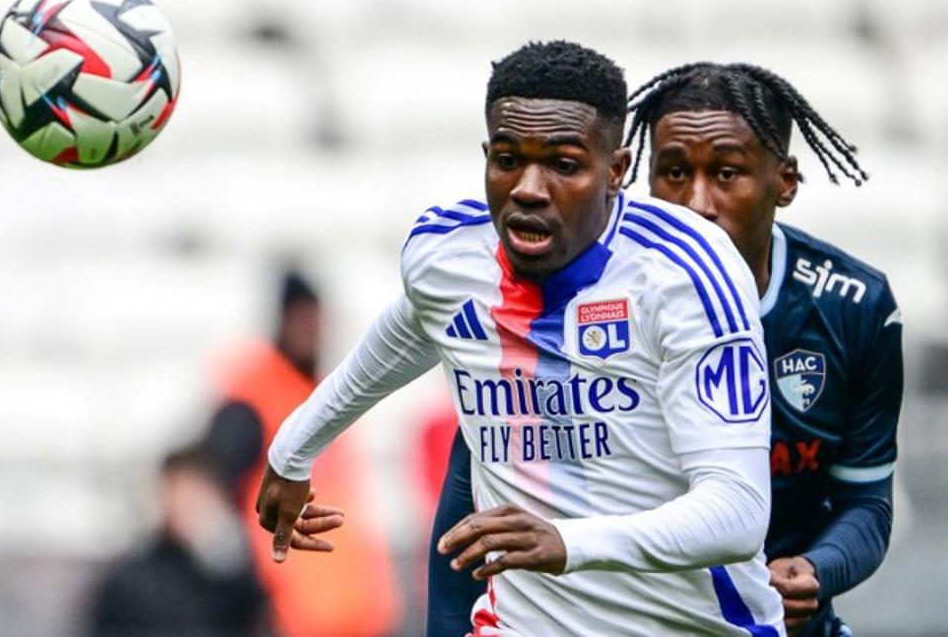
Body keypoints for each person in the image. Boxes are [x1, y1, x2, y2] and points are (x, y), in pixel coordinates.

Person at [256, 41, 785, 636]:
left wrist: (567, 542)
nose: (529, 188)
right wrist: (292, 449)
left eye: (564, 165)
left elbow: (738, 512)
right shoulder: (448, 256)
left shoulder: (684, 273)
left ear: (616, 171)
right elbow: (402, 336)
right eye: (508, 159)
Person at [426, 61, 902, 637]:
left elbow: (867, 503)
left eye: (726, 174)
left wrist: (818, 569)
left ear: (785, 182)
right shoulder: (570, 291)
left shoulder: (853, 307)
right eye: (673, 173)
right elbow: (471, 500)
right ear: (632, 176)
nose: (696, 202)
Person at [208, 270, 402, 637]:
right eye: (303, 320)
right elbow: (221, 495)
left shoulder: (323, 392)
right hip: (292, 610)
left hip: (353, 607)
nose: (312, 332)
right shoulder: (253, 397)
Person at [87, 447, 267, 637]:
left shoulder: (234, 580)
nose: (188, 507)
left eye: (197, 496)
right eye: (180, 493)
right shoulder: (129, 582)